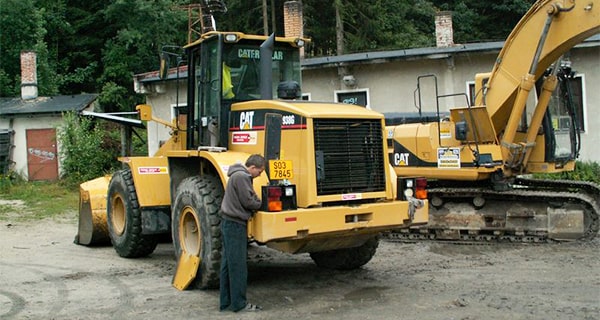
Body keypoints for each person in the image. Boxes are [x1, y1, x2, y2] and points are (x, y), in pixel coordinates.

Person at [219, 154, 266, 312]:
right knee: (238, 266)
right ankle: (239, 304)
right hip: (235, 225)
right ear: (252, 167)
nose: (259, 175)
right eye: (259, 171)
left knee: (228, 264)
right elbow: (249, 201)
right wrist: (261, 202)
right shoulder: (242, 177)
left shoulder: (236, 175)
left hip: (228, 223)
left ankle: (226, 302)